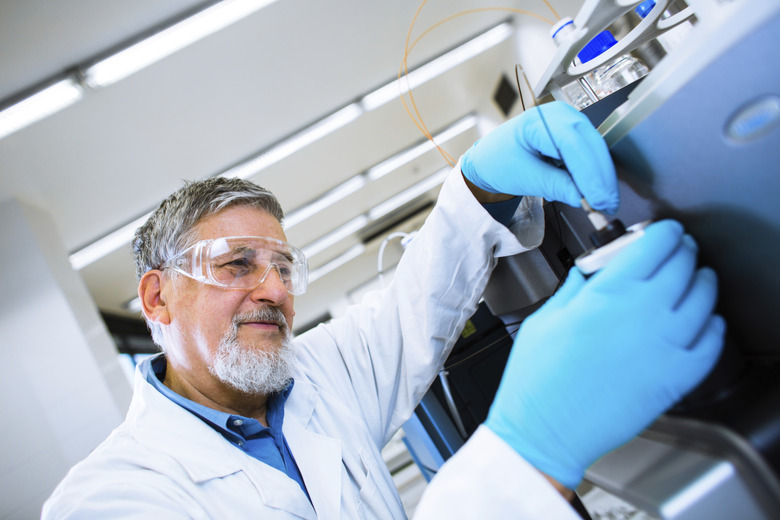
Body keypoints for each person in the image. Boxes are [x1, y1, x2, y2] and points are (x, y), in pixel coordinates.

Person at [43, 102, 724, 519]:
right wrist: (523, 456)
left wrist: (478, 187)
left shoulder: (312, 377)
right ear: (158, 297)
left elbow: (416, 300)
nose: (276, 289)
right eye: (238, 264)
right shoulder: (109, 500)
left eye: (283, 266)